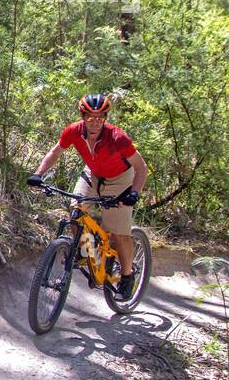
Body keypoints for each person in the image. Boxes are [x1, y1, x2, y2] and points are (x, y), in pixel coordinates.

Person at [26, 93, 150, 299]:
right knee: (76, 211)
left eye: (100, 117)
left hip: (120, 179)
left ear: (105, 118)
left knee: (119, 232)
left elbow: (141, 168)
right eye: (90, 117)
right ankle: (84, 251)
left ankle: (127, 275)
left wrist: (133, 193)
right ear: (83, 116)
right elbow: (56, 152)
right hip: (93, 174)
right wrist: (38, 174)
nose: (95, 122)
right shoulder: (73, 131)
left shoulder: (118, 138)